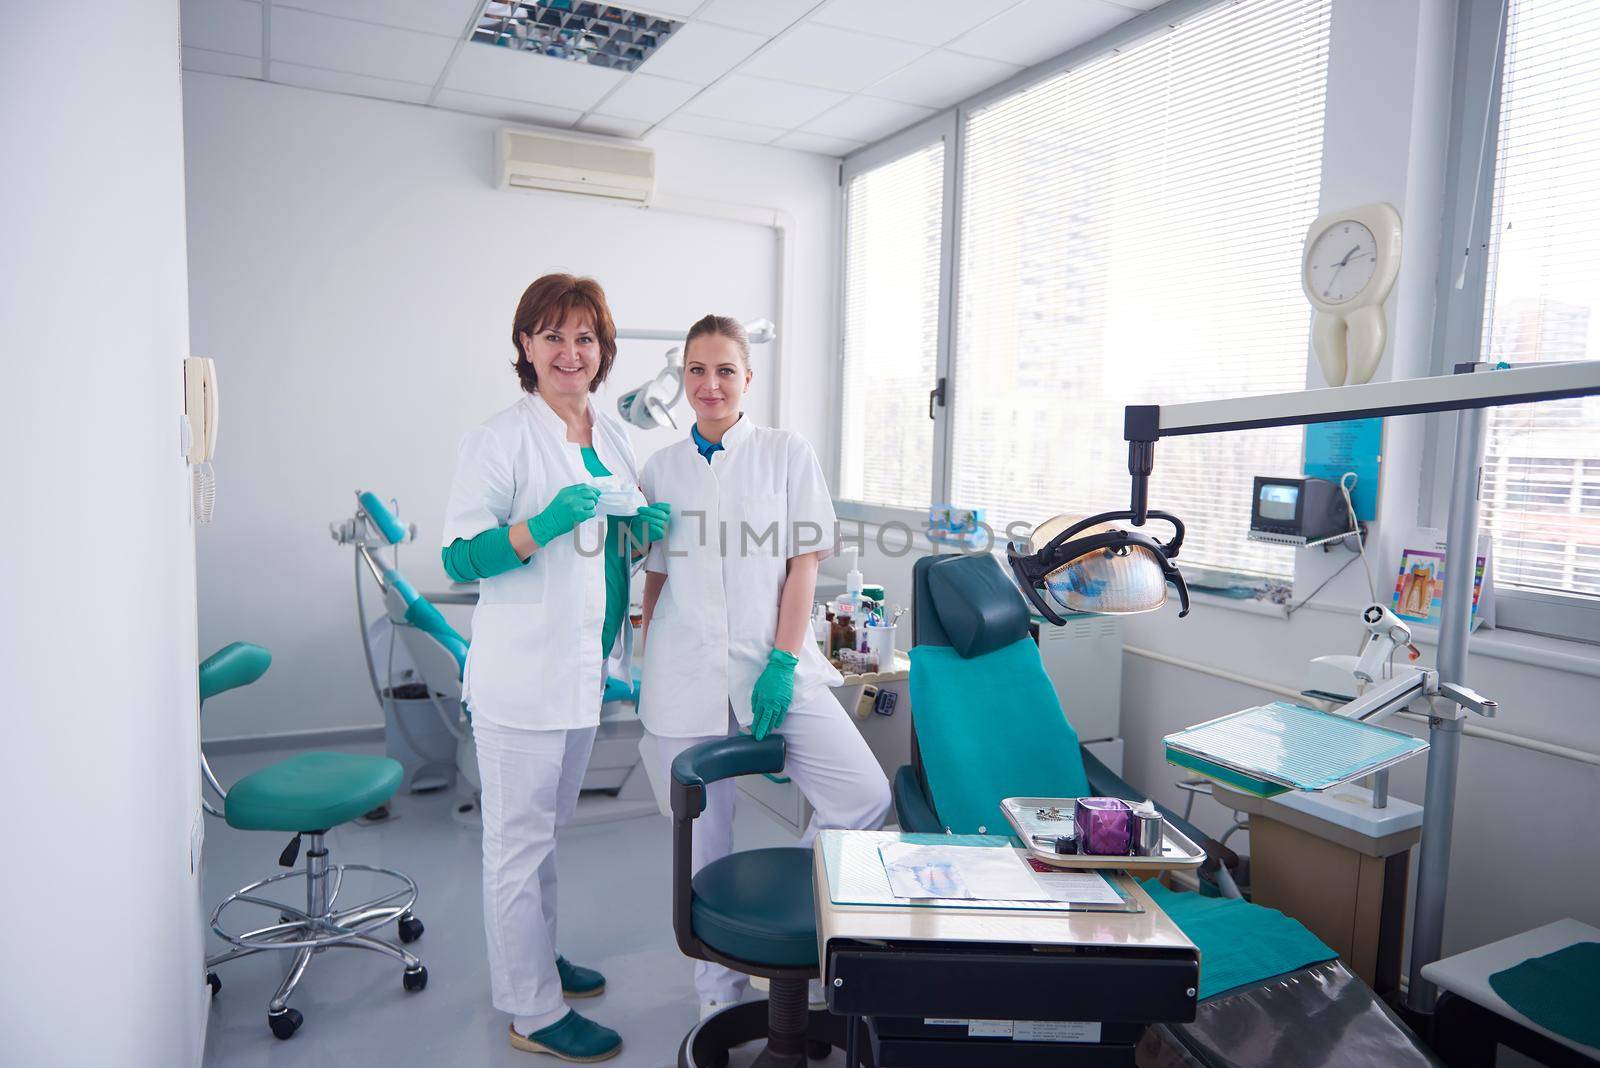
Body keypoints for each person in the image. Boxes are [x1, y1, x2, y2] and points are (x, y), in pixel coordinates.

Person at [440, 273, 670, 1062]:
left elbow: (608, 554)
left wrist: (641, 532)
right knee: (516, 845)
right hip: (522, 676)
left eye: (585, 338)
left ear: (603, 351)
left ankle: (535, 960)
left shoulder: (611, 435)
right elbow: (461, 554)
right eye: (553, 336)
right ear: (525, 347)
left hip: (582, 669)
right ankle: (532, 1010)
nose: (570, 352)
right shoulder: (497, 439)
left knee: (545, 834)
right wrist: (537, 526)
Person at [636, 314, 890, 1019]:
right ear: (683, 378)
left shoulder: (785, 452)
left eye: (724, 370)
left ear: (748, 378)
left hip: (774, 665)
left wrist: (782, 663)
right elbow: (656, 574)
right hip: (683, 675)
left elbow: (803, 565)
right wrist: (642, 652)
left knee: (863, 797)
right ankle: (717, 999)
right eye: (696, 370)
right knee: (702, 839)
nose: (710, 383)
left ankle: (793, 919)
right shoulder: (659, 467)